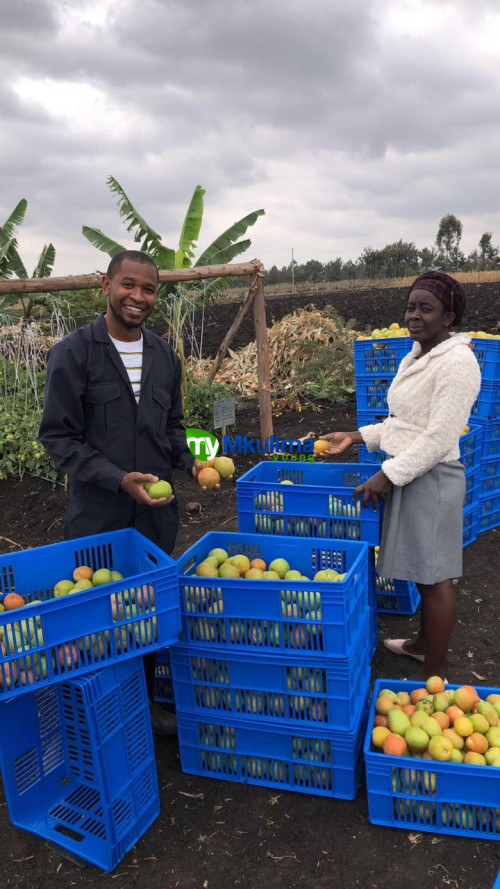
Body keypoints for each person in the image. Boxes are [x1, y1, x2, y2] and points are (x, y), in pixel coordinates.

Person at [39, 250, 198, 734]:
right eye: (128, 285)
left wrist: (194, 459)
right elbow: (58, 437)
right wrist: (116, 479)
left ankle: (146, 707)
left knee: (145, 611)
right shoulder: (74, 353)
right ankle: (101, 714)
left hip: (154, 516)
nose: (138, 297)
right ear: (105, 286)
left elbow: (173, 426)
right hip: (99, 515)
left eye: (149, 289)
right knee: (99, 614)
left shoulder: (164, 356)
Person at [323, 272, 481, 680]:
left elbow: (438, 437)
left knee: (435, 580)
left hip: (433, 477)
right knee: (423, 573)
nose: (414, 315)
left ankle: (438, 674)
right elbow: (405, 423)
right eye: (411, 306)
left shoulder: (458, 363)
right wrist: (359, 436)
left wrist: (387, 476)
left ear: (449, 317)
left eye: (425, 308)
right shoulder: (417, 354)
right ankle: (421, 647)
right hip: (412, 472)